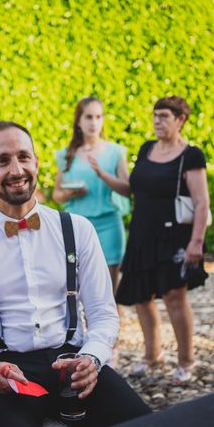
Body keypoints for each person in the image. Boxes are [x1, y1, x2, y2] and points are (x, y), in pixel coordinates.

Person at [0, 121, 151, 427]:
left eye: (24, 157)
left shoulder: (77, 230)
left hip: (75, 363)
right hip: (6, 374)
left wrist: (93, 360)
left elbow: (102, 313)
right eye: (3, 160)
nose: (16, 170)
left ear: (37, 162)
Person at [115, 96, 209, 383]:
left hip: (174, 237)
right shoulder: (146, 149)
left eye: (164, 116)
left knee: (173, 298)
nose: (157, 121)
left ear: (180, 119)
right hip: (142, 234)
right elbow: (131, 188)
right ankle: (152, 354)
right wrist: (101, 174)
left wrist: (197, 242)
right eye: (155, 115)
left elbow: (202, 202)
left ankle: (186, 361)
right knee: (142, 298)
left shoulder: (191, 155)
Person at [53, 96, 130, 290]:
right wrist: (71, 194)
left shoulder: (115, 152)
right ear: (79, 121)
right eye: (88, 117)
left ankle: (112, 320)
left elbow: (128, 189)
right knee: (80, 288)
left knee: (109, 290)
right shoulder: (66, 154)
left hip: (109, 224)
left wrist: (103, 174)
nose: (94, 122)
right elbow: (57, 194)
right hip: (77, 226)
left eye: (98, 116)